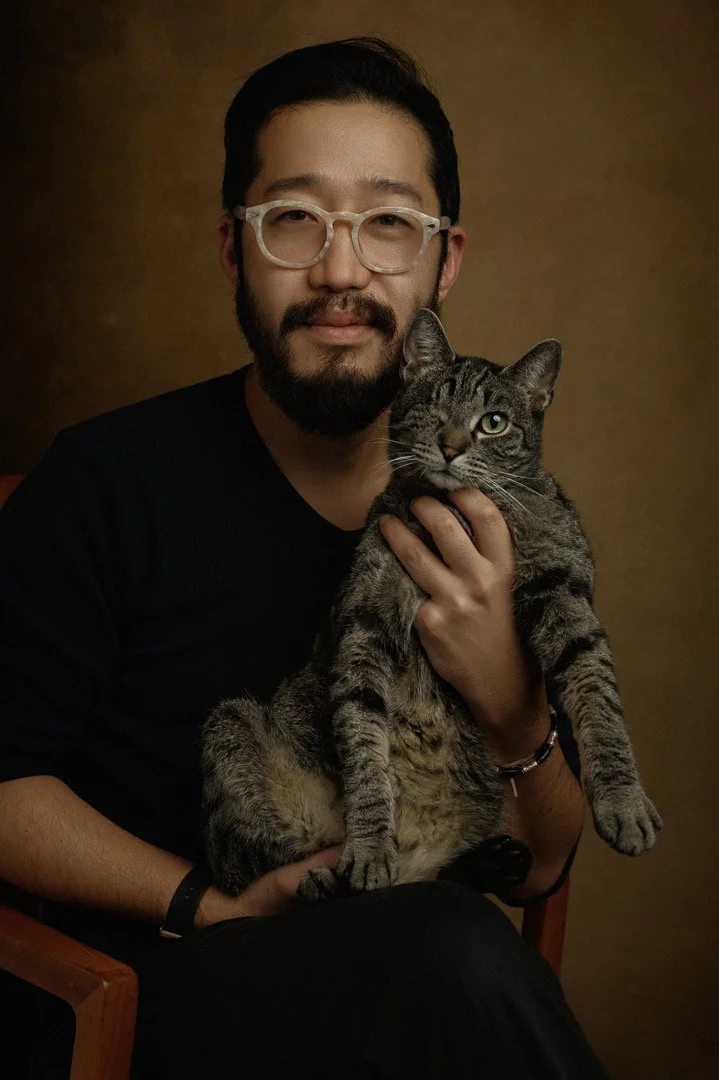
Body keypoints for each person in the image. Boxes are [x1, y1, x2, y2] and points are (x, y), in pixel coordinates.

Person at [0, 37, 610, 1079]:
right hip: (145, 1005)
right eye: (293, 219)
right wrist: (209, 906)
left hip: (415, 1013)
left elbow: (539, 865)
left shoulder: (499, 521)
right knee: (452, 947)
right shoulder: (106, 481)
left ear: (444, 261)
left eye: (387, 223)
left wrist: (512, 704)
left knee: (451, 948)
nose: (340, 271)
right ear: (233, 250)